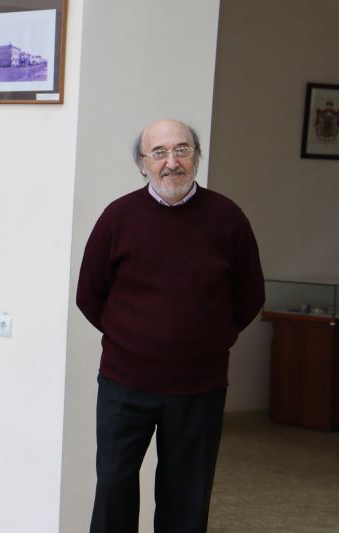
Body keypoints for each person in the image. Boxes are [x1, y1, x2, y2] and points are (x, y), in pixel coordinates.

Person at [76, 119, 265, 533]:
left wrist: (210, 340)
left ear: (197, 157)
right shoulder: (117, 217)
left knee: (187, 499)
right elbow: (89, 294)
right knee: (113, 491)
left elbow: (251, 296)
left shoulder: (228, 218)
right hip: (125, 384)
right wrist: (132, 339)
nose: (172, 162)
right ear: (142, 164)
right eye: (159, 153)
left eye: (182, 150)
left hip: (200, 387)